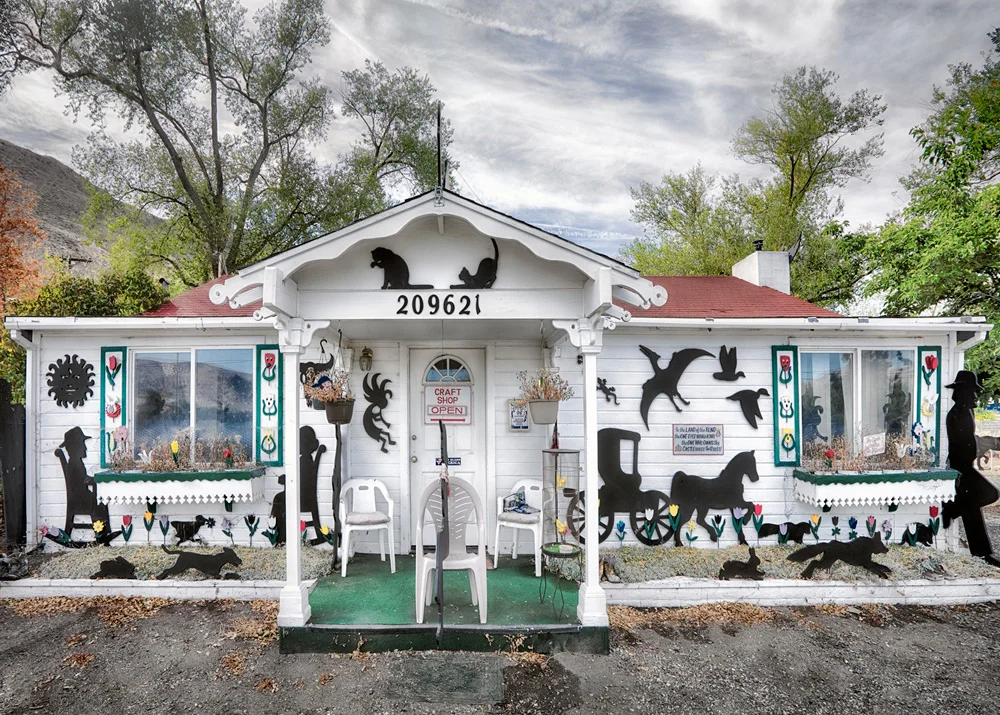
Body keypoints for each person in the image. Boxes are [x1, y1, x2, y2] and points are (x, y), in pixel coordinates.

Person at [942, 370, 1000, 567]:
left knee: (972, 506)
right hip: (960, 468)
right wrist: (991, 443)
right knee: (990, 493)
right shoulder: (956, 415)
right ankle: (953, 509)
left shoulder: (967, 412)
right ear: (963, 392)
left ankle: (982, 553)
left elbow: (972, 442)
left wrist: (989, 443)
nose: (976, 396)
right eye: (973, 391)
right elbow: (965, 444)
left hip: (967, 465)